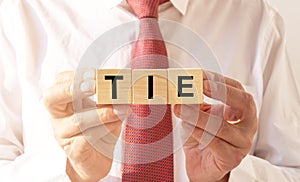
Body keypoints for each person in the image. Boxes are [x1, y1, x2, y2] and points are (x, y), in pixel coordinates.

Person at [0, 0, 299, 181]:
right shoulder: (18, 16)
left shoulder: (258, 21)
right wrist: (71, 171)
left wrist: (228, 176)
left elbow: (292, 170)